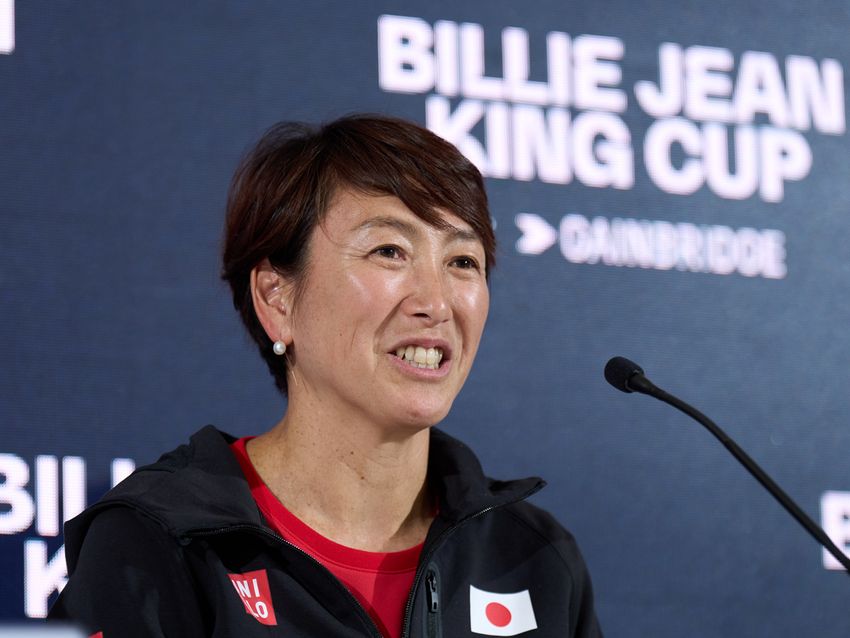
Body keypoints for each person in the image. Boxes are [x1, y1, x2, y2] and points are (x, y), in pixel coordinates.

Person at [49, 114, 603, 637]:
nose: (436, 303)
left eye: (463, 262)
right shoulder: (163, 541)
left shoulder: (535, 559)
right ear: (277, 299)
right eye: (390, 251)